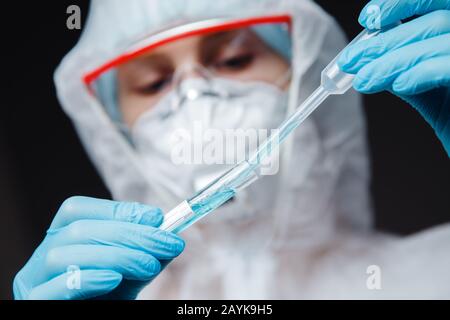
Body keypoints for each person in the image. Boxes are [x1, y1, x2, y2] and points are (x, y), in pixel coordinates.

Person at [14, 0, 450, 300]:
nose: (195, 95)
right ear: (112, 131)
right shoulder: (105, 293)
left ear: (306, 65)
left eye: (234, 61)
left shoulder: (437, 273)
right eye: (152, 84)